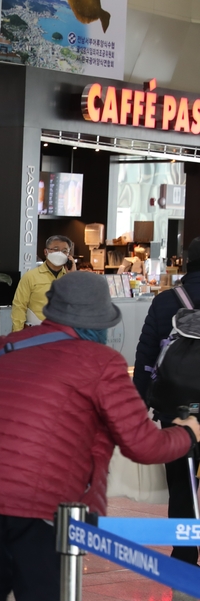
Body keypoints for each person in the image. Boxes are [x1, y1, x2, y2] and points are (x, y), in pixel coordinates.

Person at [0, 271, 200, 601]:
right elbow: (143, 444)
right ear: (99, 320)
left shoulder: (8, 344)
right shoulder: (100, 362)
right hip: (43, 498)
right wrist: (187, 434)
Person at [132, 237, 200, 567]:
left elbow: (146, 354)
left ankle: (185, 554)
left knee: (182, 481)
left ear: (187, 263)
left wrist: (139, 400)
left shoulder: (167, 301)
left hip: (176, 406)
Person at [10, 235, 73, 331]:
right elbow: (19, 306)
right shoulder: (30, 276)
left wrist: (73, 277)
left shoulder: (72, 278)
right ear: (46, 252)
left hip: (64, 334)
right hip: (36, 331)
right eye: (55, 249)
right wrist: (17, 333)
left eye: (64, 251)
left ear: (69, 255)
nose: (60, 253)